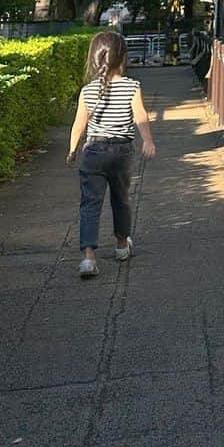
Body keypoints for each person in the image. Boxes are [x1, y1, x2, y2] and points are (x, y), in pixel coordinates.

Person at [67, 30, 156, 278]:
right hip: (121, 152)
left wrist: (72, 150)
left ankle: (88, 258)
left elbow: (79, 125)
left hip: (93, 151)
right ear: (123, 58)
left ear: (95, 59)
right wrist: (148, 140)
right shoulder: (132, 86)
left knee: (90, 204)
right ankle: (120, 245)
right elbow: (140, 116)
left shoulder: (87, 91)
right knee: (121, 199)